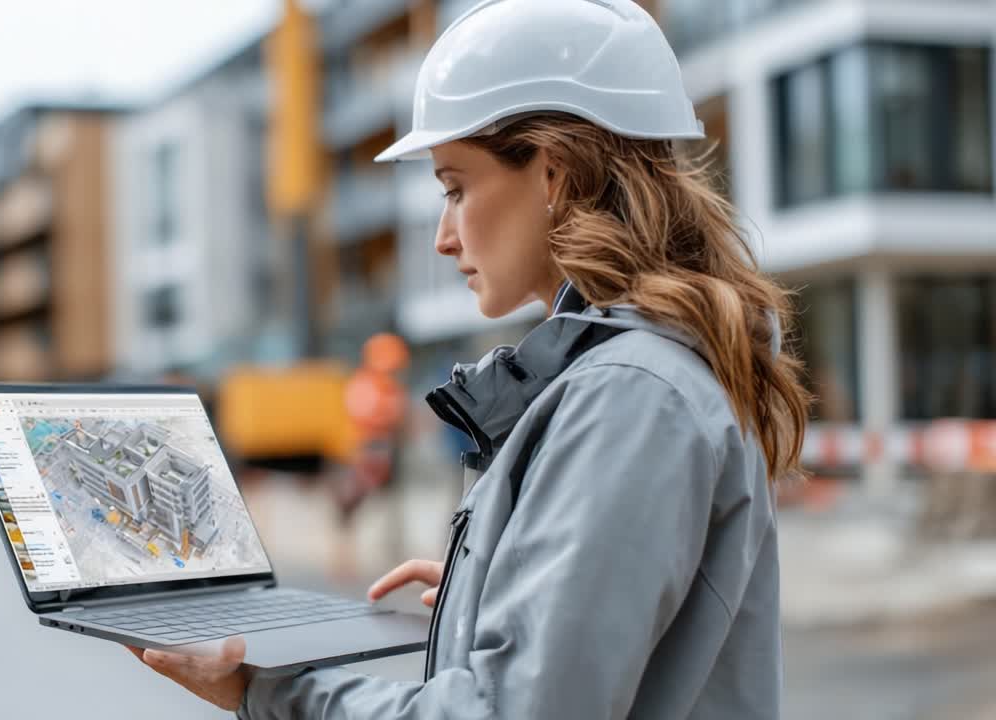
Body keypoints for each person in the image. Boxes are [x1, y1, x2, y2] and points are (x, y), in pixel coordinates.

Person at [130, 1, 809, 717]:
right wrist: (494, 574)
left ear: (556, 175)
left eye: (456, 187)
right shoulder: (632, 379)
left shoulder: (631, 396)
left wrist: (263, 690)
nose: (442, 237)